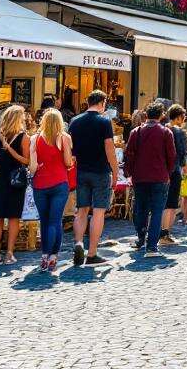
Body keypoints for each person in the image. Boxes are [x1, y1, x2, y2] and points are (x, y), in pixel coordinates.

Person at [69, 89, 119, 267]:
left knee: (81, 210)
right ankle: (92, 254)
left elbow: (71, 150)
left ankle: (78, 243)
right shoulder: (104, 121)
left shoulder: (74, 122)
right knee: (98, 211)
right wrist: (115, 171)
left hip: (81, 171)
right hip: (100, 171)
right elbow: (109, 148)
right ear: (102, 102)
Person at [123, 102, 176, 257]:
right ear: (161, 115)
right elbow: (171, 156)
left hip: (140, 177)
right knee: (157, 211)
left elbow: (129, 154)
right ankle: (152, 246)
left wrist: (129, 173)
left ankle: (140, 238)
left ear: (146, 115)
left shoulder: (136, 132)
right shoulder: (166, 132)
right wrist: (168, 172)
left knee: (141, 208)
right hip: (159, 176)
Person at [28, 108, 74, 271]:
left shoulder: (34, 138)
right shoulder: (64, 138)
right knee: (55, 221)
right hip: (59, 182)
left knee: (45, 220)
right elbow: (68, 162)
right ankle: (53, 256)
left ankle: (44, 256)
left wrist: (37, 169)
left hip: (40, 184)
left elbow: (32, 166)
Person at [0, 105, 29, 265]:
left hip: (0, 178)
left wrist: (5, 151)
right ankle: (9, 253)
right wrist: (12, 151)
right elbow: (26, 161)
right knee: (13, 218)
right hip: (16, 180)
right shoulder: (24, 137)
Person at [160, 105, 187, 243]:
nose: (183, 120)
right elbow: (183, 153)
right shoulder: (179, 132)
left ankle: (159, 231)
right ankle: (165, 234)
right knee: (171, 204)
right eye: (183, 117)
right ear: (179, 117)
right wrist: (185, 166)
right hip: (174, 170)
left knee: (161, 203)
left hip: (159, 171)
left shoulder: (162, 129)